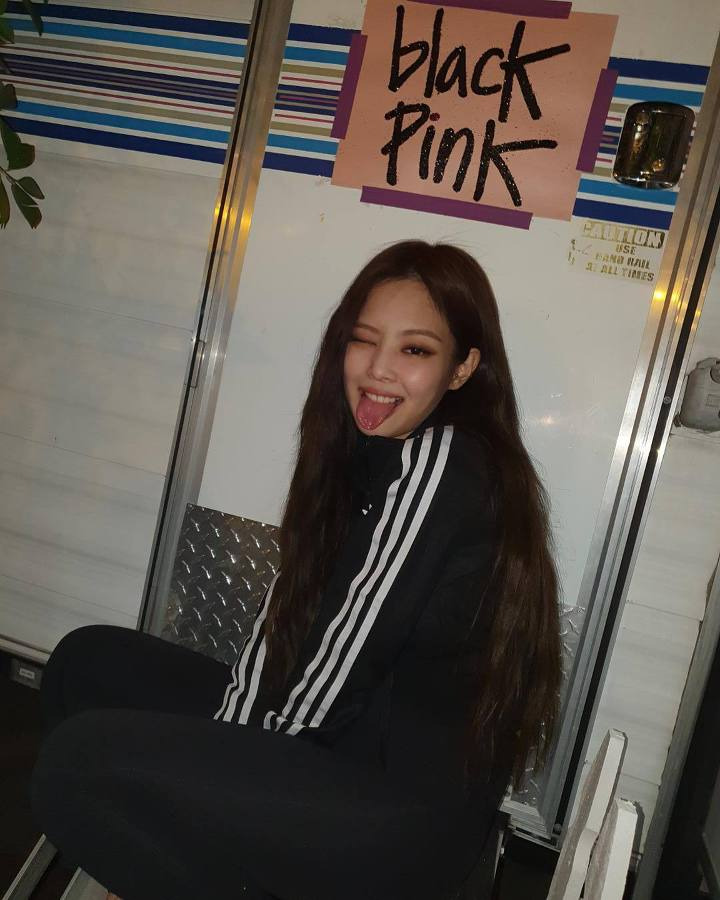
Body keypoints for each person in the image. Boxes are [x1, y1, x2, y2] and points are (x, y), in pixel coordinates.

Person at [31, 240, 562, 900]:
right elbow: (287, 621)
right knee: (85, 663)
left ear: (462, 369)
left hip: (400, 818)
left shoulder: (445, 464)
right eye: (364, 340)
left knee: (72, 768)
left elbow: (344, 655)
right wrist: (224, 740)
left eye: (415, 350)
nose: (379, 368)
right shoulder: (366, 454)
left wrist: (226, 771)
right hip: (345, 744)